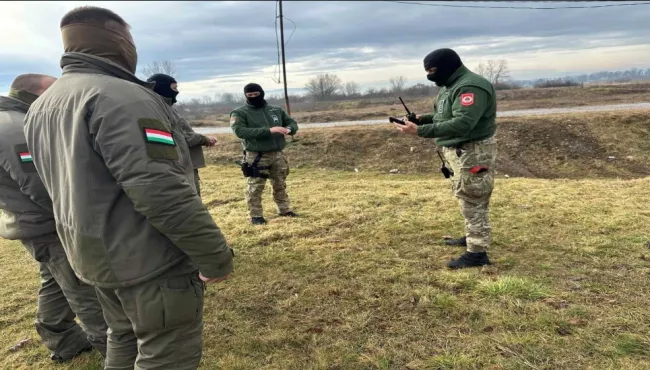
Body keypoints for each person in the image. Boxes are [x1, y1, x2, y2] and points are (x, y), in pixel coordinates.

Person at [23, 6, 234, 369]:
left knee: (121, 336)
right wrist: (214, 255)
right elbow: (160, 188)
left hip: (93, 255)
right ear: (117, 41)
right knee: (166, 351)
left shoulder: (43, 106)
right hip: (149, 260)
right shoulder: (123, 97)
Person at [0, 74, 108, 362]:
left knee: (55, 281)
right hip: (48, 222)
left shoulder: (16, 120)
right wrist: (72, 215)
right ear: (33, 94)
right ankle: (115, 349)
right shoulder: (14, 127)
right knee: (82, 285)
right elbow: (38, 183)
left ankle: (61, 338)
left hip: (33, 221)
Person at [394, 48, 498, 269]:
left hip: (473, 151)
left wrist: (419, 131)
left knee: (473, 196)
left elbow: (463, 123)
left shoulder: (470, 86)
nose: (429, 76)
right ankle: (473, 237)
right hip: (460, 152)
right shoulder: (450, 86)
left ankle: (477, 252)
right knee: (467, 194)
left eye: (432, 71)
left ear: (448, 66)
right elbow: (445, 116)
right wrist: (423, 119)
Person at [229, 83, 299, 225]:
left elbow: (292, 123)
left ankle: (284, 209)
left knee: (280, 183)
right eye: (250, 96)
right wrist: (268, 130)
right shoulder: (240, 113)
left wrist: (289, 129)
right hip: (256, 155)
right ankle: (255, 216)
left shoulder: (275, 110)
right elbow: (240, 132)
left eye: (256, 94)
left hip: (277, 154)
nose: (254, 97)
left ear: (262, 93)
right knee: (255, 186)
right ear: (246, 96)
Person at [146, 73, 217, 197]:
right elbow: (181, 137)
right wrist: (204, 139)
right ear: (162, 88)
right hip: (179, 167)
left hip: (184, 165)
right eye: (174, 88)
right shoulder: (159, 110)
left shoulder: (166, 108)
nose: (177, 92)